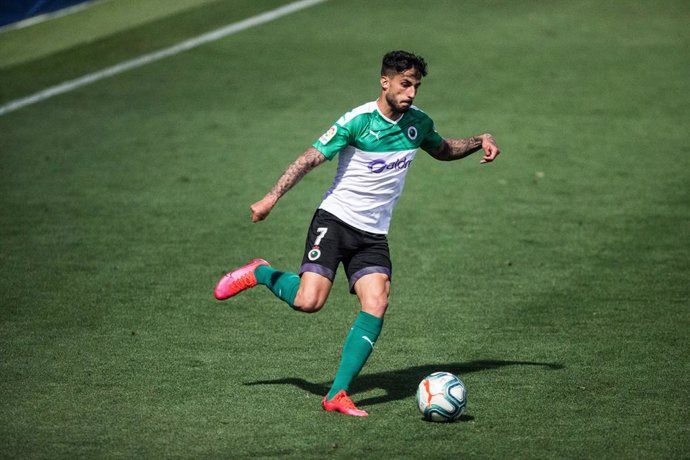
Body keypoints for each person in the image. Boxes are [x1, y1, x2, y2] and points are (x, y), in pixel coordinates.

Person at [215, 50, 501, 417]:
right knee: (309, 302)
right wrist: (271, 197)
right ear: (385, 82)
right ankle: (260, 272)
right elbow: (309, 158)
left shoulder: (419, 124)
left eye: (415, 86)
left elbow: (444, 150)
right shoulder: (357, 122)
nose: (411, 93)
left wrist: (481, 138)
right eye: (404, 84)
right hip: (335, 221)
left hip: (373, 234)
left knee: (377, 301)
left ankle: (337, 394)